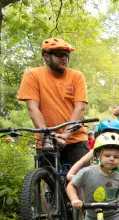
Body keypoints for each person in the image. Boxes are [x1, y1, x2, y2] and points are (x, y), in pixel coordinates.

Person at [17, 38, 89, 168]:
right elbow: (33, 108)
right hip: (46, 139)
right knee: (48, 181)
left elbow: (80, 108)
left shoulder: (76, 76)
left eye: (67, 55)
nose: (65, 58)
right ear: (46, 56)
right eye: (60, 54)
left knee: (80, 182)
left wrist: (66, 135)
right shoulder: (32, 75)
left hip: (75, 139)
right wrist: (47, 137)